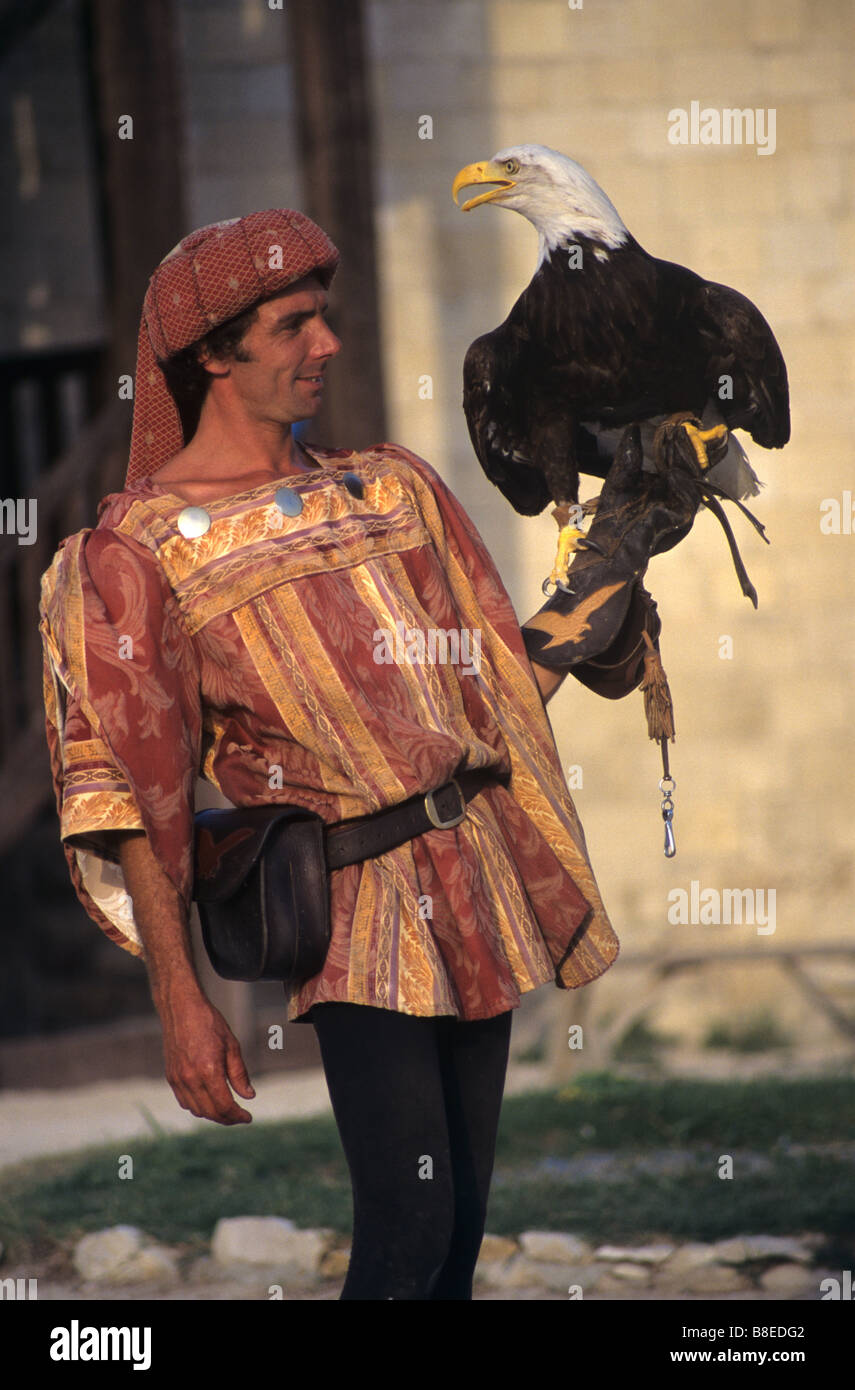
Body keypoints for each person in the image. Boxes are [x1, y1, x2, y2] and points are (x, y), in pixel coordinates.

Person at [39, 210, 702, 1300]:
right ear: (212, 354)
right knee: (407, 1231)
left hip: (474, 874)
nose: (326, 345)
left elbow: (491, 691)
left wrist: (604, 578)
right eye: (294, 325)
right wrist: (180, 998)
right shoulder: (133, 554)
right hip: (352, 907)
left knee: (456, 1241)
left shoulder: (393, 488)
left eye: (326, 319)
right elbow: (126, 792)